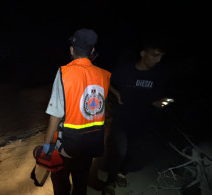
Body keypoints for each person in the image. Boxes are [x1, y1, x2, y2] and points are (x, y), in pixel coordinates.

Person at [42, 28, 111, 195]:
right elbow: (98, 109)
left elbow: (56, 114)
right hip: (92, 142)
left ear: (71, 50)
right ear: (92, 51)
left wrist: (47, 145)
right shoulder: (104, 75)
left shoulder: (64, 73)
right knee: (81, 183)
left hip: (67, 144)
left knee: (60, 183)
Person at [102, 37, 169, 194]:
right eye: (155, 55)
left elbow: (158, 95)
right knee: (119, 151)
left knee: (134, 151)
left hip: (143, 120)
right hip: (122, 119)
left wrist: (158, 102)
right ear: (143, 54)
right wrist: (116, 92)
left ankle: (121, 173)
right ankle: (110, 182)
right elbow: (105, 80)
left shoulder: (157, 74)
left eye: (161, 57)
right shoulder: (125, 70)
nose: (158, 60)